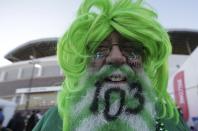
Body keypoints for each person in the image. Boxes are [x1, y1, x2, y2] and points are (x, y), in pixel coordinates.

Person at [33, 0, 190, 130]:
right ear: (84, 61)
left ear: (145, 60)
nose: (116, 58)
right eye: (99, 49)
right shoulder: (54, 120)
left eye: (131, 49)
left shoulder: (169, 119)